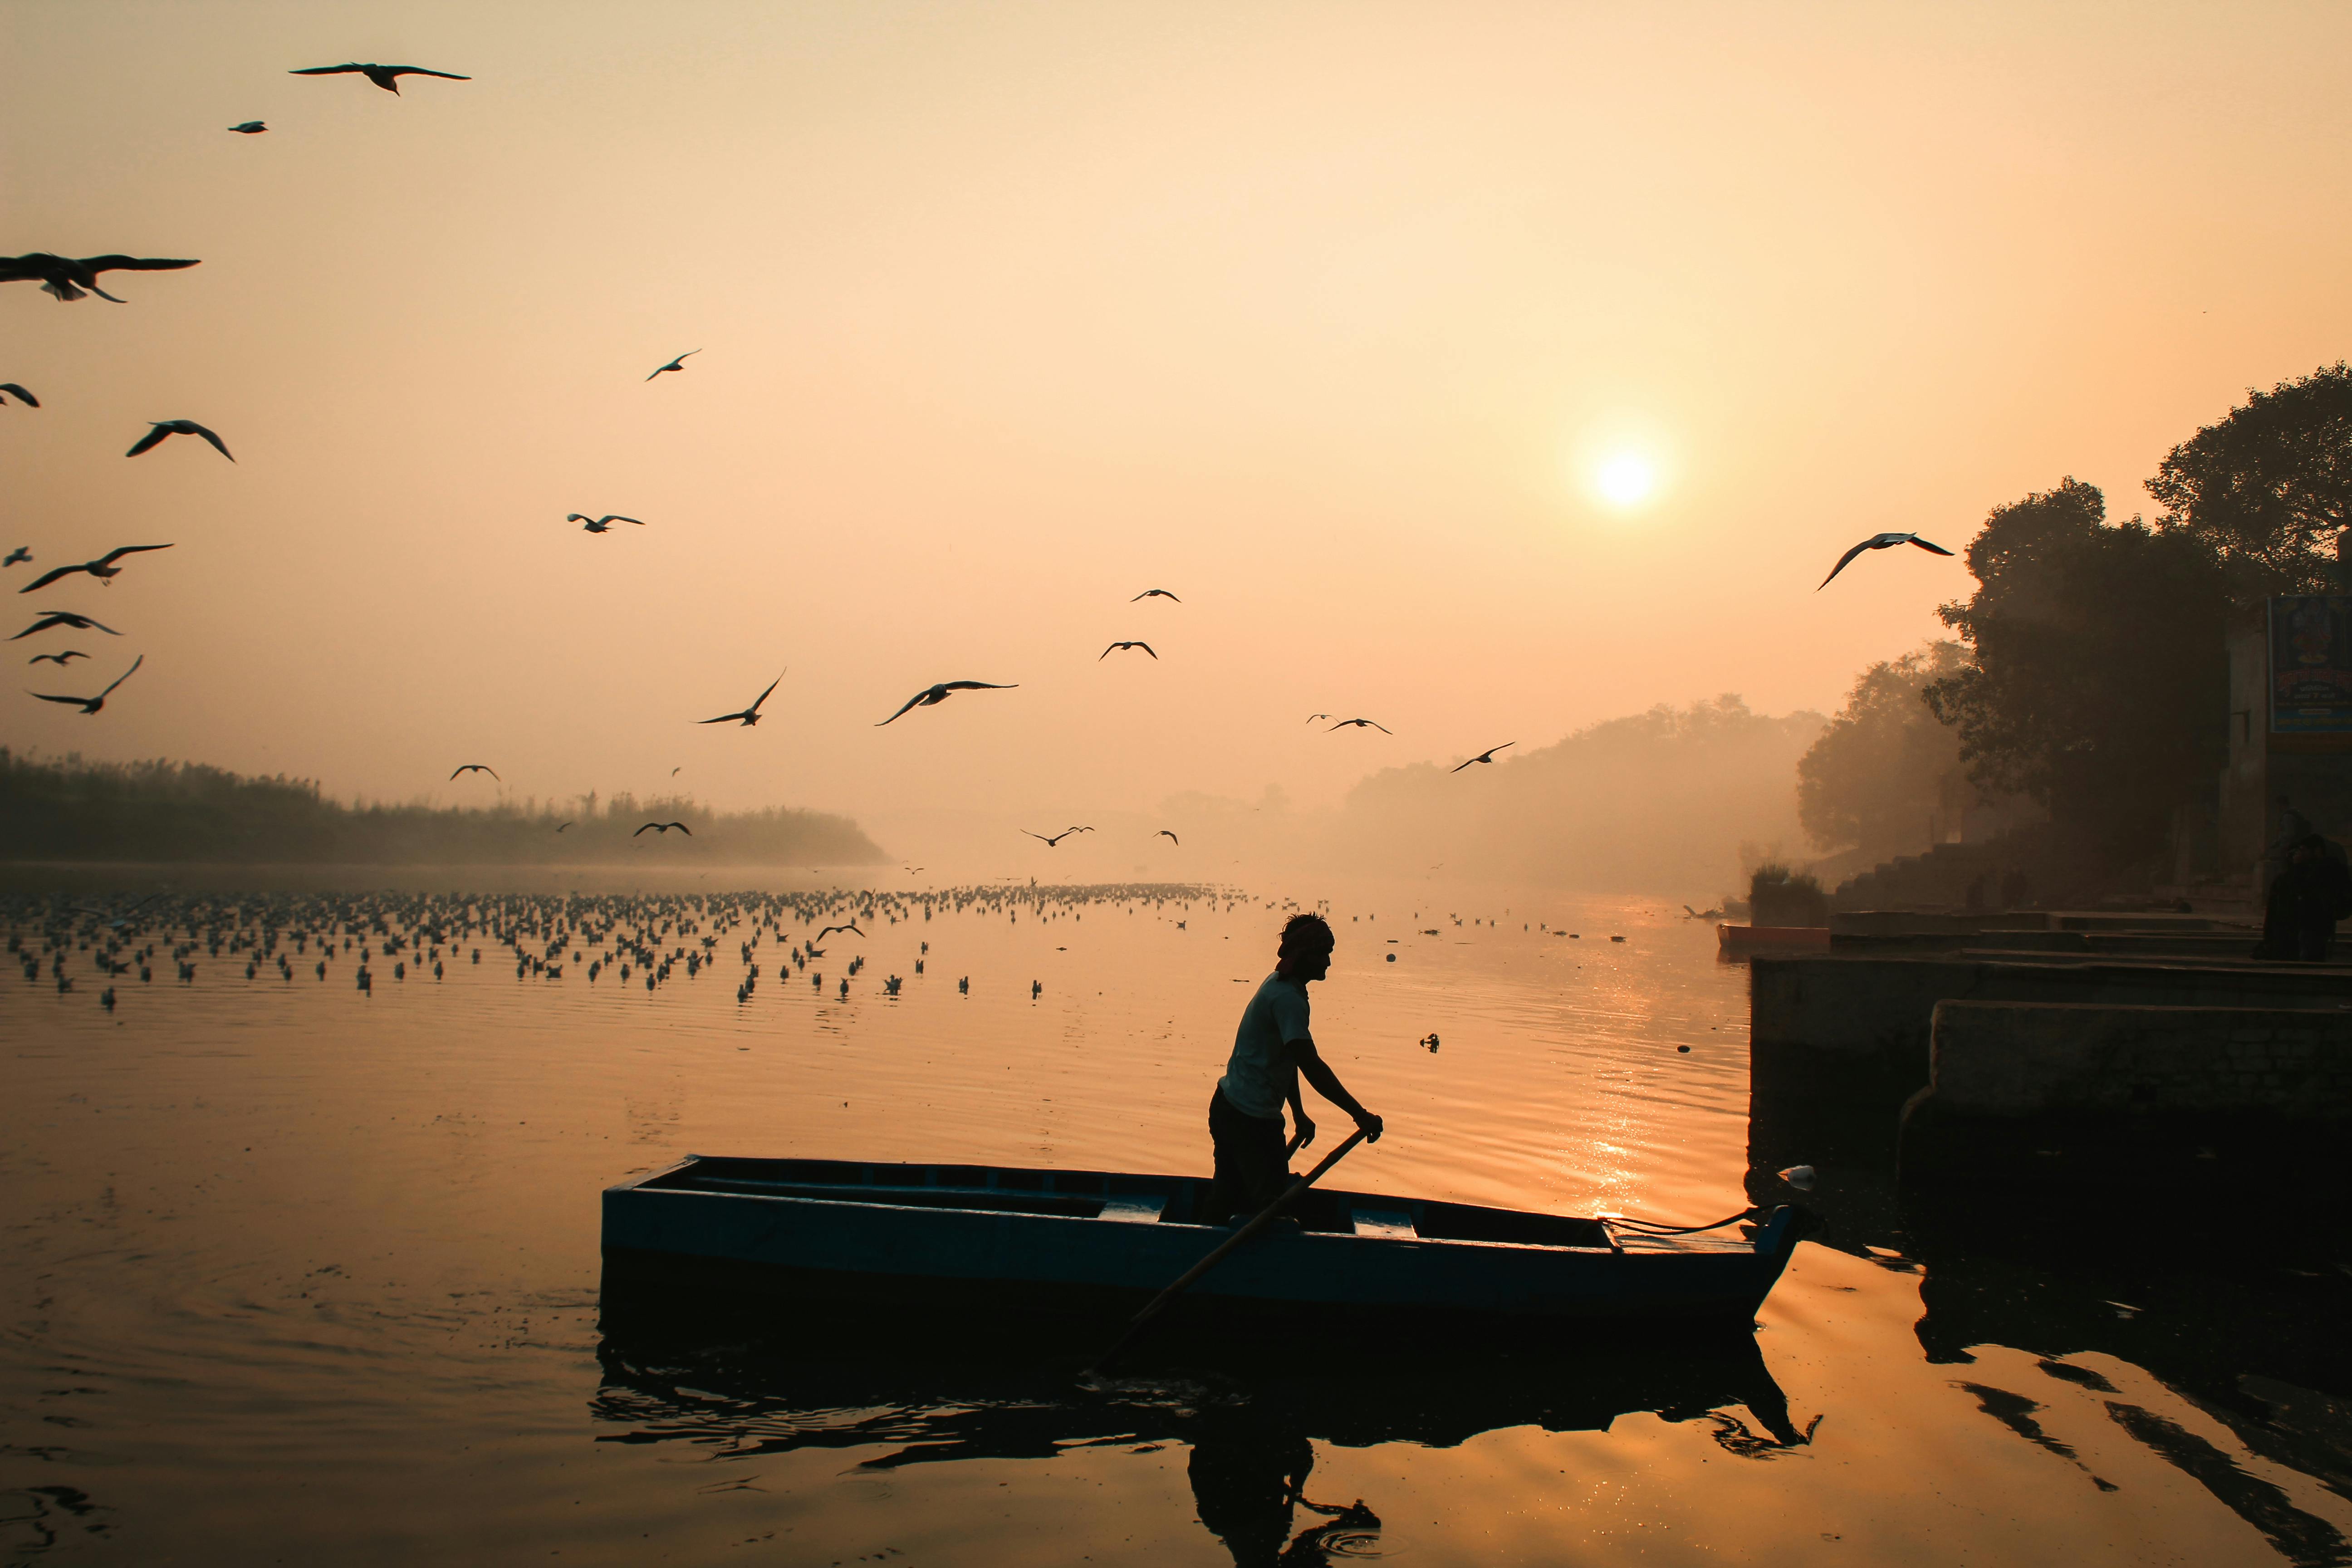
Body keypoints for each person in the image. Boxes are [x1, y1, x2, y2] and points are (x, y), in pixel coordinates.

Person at [1206, 914, 1382, 1226]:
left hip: (1228, 1107)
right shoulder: (1287, 998)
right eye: (1322, 954)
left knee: (1227, 1200)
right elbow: (1311, 1065)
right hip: (1252, 1120)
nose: (1328, 962)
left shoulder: (1280, 986)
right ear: (1302, 956)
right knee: (1271, 1214)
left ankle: (1206, 1242)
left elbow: (1287, 1060)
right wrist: (1359, 1114)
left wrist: (1298, 1114)